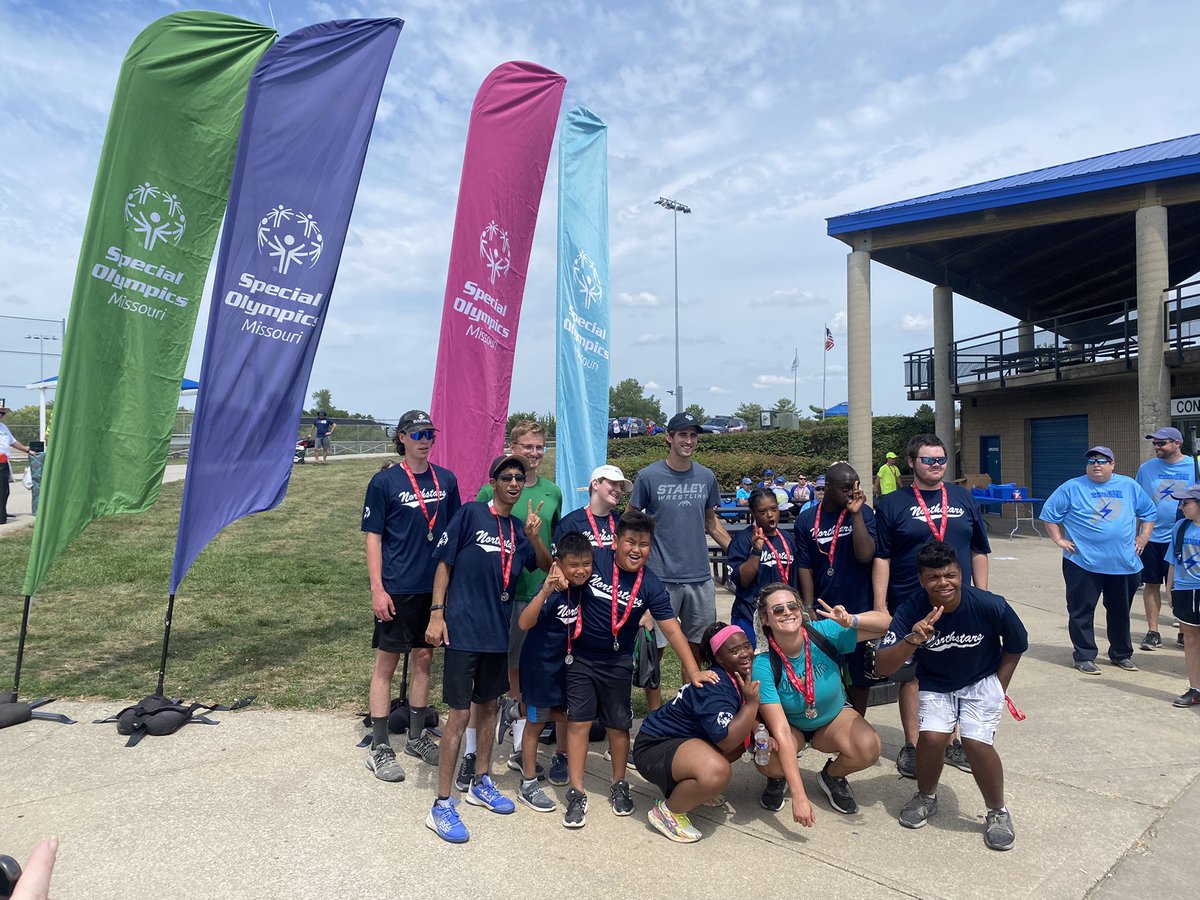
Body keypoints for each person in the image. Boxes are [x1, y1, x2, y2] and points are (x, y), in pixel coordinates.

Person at [562, 510, 718, 829]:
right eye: (630, 541)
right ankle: (576, 791)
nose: (636, 549)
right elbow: (566, 568)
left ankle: (619, 783)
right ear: (616, 541)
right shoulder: (595, 561)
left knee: (619, 727)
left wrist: (694, 669)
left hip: (618, 662)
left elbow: (672, 629)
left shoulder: (650, 583)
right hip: (580, 659)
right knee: (578, 724)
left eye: (644, 544)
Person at [424, 454, 550, 843]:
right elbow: (443, 564)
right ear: (493, 481)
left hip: (497, 635)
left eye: (520, 477)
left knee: (491, 708)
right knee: (459, 718)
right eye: (507, 477)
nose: (515, 482)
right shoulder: (469, 514)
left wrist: (533, 535)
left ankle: (481, 782)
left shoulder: (517, 529)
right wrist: (436, 614)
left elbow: (546, 565)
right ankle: (442, 805)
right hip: (463, 632)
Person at [875, 540, 1029, 851]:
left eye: (950, 575)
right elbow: (882, 666)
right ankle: (926, 796)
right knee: (931, 738)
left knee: (975, 743)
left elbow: (1017, 643)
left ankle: (997, 811)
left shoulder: (989, 605)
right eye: (933, 577)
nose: (943, 583)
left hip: (982, 680)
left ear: (962, 574)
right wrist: (911, 640)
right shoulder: (911, 609)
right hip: (935, 682)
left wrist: (999, 687)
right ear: (921, 580)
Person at [873, 433, 991, 778]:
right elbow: (882, 556)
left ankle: (952, 742)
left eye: (941, 460)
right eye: (928, 460)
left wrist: (982, 596)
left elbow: (979, 550)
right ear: (912, 463)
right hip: (908, 600)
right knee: (910, 675)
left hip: (957, 601)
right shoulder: (893, 503)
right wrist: (881, 605)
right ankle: (913, 746)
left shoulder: (963, 498)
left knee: (954, 669)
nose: (936, 465)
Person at [361, 410, 462, 782]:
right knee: (386, 664)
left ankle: (417, 736)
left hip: (432, 588)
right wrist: (377, 588)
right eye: (417, 434)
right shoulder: (384, 482)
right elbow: (374, 537)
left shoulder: (447, 480)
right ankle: (381, 745)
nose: (424, 440)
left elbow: (452, 535)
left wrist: (451, 590)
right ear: (401, 437)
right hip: (397, 587)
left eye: (429, 434)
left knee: (423, 659)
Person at [753, 584, 890, 821]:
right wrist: (799, 796)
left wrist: (852, 621)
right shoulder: (763, 665)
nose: (787, 612)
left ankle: (832, 776)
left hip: (832, 717)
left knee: (869, 747)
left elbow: (887, 624)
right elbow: (782, 731)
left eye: (792, 606)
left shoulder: (822, 632)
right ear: (765, 619)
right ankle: (778, 779)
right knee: (768, 759)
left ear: (800, 610)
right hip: (792, 726)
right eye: (777, 610)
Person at [475, 420, 562, 775]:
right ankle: (505, 734)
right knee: (507, 666)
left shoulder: (552, 491)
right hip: (503, 594)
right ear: (512, 447)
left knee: (532, 667)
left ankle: (519, 741)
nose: (534, 453)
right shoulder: (488, 491)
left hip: (539, 592)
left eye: (539, 447)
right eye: (527, 446)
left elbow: (553, 542)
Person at [629, 411, 731, 706]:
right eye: (682, 435)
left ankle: (688, 711)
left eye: (693, 435)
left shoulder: (706, 476)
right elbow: (631, 522)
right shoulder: (648, 477)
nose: (688, 440)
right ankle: (655, 717)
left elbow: (711, 523)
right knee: (655, 650)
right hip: (660, 579)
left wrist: (739, 552)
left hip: (700, 579)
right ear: (669, 439)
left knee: (696, 651)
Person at [633, 621, 760, 843]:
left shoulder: (733, 676)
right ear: (719, 659)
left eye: (746, 646)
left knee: (740, 744)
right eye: (734, 650)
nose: (744, 654)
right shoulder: (714, 685)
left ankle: (692, 790)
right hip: (654, 747)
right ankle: (668, 812)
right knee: (717, 772)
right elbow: (727, 740)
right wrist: (751, 705)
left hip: (679, 742)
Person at [1040, 445, 1156, 674]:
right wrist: (1059, 540)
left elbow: (1149, 512)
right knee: (1081, 610)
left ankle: (1121, 654)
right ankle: (1084, 655)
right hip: (1082, 563)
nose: (1096, 465)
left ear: (1113, 464)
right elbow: (1050, 514)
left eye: (1102, 461)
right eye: (1092, 461)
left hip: (1123, 563)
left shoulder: (1129, 486)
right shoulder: (1072, 487)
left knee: (1120, 611)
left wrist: (1144, 536)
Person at [513, 532, 595, 812]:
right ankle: (528, 782)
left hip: (570, 669)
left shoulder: (587, 587)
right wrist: (546, 590)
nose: (581, 570)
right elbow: (524, 623)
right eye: (574, 564)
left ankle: (516, 712)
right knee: (536, 723)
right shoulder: (550, 588)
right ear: (559, 563)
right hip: (540, 669)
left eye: (586, 563)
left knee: (574, 717)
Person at [794, 462, 877, 714]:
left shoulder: (865, 513)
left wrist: (855, 513)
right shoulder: (807, 519)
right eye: (845, 489)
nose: (851, 494)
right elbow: (805, 565)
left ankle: (858, 720)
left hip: (858, 607)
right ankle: (830, 720)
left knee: (859, 674)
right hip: (824, 608)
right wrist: (807, 606)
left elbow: (866, 555)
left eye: (855, 488)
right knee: (826, 669)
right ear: (827, 487)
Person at [1135, 427, 1195, 651]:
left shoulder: (1194, 466)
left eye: (1162, 443)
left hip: (1183, 536)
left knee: (1179, 586)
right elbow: (1139, 504)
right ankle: (1153, 631)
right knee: (1151, 584)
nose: (1157, 447)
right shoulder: (1147, 468)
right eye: (1155, 444)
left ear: (1177, 443)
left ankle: (1183, 630)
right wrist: (1137, 535)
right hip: (1152, 537)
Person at [727, 487, 798, 648]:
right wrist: (756, 551)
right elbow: (743, 580)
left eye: (774, 509)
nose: (770, 515)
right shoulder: (743, 540)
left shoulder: (787, 539)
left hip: (781, 617)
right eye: (763, 511)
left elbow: (794, 580)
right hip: (750, 617)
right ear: (753, 513)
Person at [1165, 486, 1200, 707]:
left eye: (1186, 503)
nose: (1181, 507)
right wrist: (1170, 587)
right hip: (1185, 589)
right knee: (1190, 638)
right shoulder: (1180, 527)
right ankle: (1195, 688)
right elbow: (1173, 560)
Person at [554, 464, 630, 551]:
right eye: (613, 483)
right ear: (595, 484)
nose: (619, 490)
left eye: (621, 487)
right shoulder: (571, 523)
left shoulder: (622, 524)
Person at [0, 405, 30, 525]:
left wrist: (27, 449)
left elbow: (13, 442)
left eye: (3, 414)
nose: (1, 416)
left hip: (3, 462)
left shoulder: (3, 427)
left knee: (4, 490)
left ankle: (2, 512)